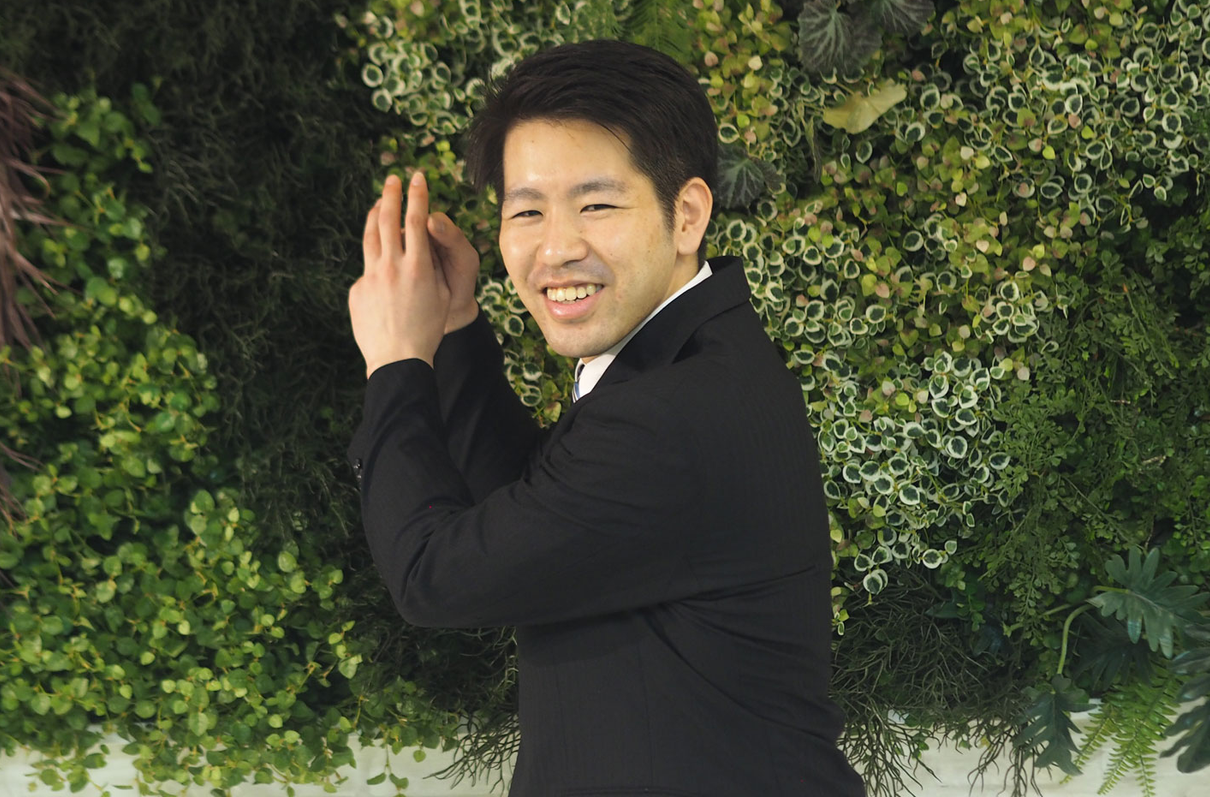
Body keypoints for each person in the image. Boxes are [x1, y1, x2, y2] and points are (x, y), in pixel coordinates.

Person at [346, 39, 865, 796]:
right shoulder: (687, 360)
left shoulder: (673, 413)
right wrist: (454, 327)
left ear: (686, 215)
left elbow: (434, 576)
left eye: (596, 205)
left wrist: (396, 361)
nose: (556, 248)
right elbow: (534, 502)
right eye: (527, 210)